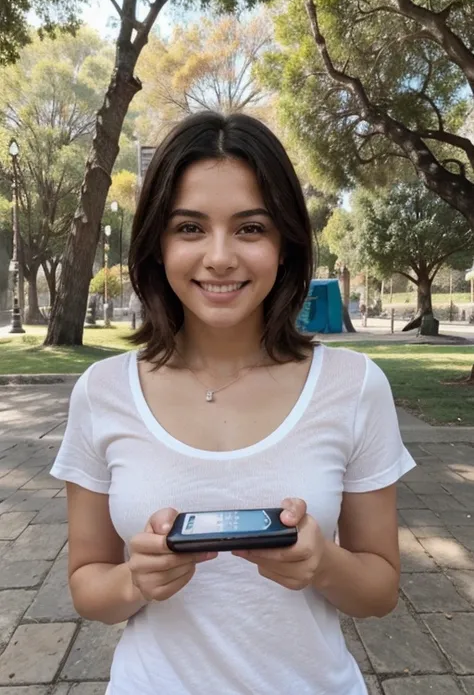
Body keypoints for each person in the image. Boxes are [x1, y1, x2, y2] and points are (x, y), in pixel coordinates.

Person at [50, 111, 415, 695]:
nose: (220, 257)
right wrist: (134, 581)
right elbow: (87, 587)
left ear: (285, 242)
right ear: (157, 243)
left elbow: (379, 592)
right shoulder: (102, 391)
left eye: (250, 228)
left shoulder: (354, 386)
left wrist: (324, 563)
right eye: (190, 228)